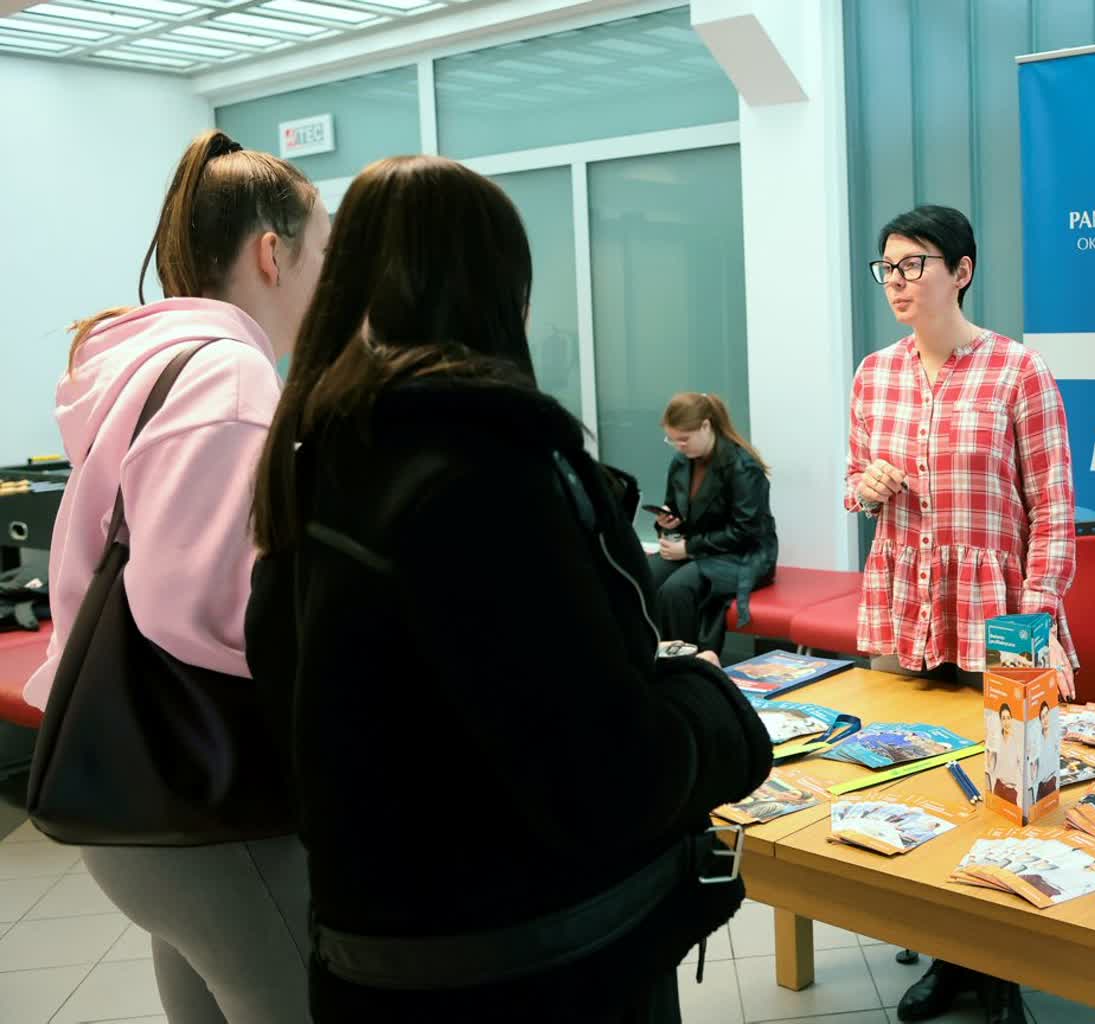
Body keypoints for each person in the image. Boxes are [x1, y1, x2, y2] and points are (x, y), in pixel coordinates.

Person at [244, 155, 771, 1023]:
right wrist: (714, 707)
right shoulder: (490, 472)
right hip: (539, 961)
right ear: (505, 293)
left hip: (379, 949)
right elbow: (604, 776)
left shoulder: (319, 454)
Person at [20, 130, 328, 1023]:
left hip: (145, 787)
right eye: (325, 251)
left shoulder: (146, 362)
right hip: (214, 795)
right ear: (272, 254)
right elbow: (207, 611)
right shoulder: (228, 378)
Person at [846, 205, 1079, 1024]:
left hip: (1000, 612)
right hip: (904, 604)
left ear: (962, 271)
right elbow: (853, 480)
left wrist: (1035, 623)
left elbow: (1052, 506)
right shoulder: (873, 374)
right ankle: (947, 954)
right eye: (887, 268)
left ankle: (1001, 969)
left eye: (914, 265)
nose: (897, 282)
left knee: (1009, 792)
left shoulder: (1016, 370)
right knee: (914, 782)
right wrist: (865, 486)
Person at [648, 392, 778, 653]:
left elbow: (746, 531)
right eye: (672, 440)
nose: (679, 446)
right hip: (700, 548)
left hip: (743, 555)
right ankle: (648, 656)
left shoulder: (743, 466)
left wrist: (689, 548)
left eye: (684, 439)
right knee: (644, 575)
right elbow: (677, 509)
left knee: (677, 590)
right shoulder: (681, 462)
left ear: (706, 426)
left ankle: (685, 665)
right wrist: (669, 522)